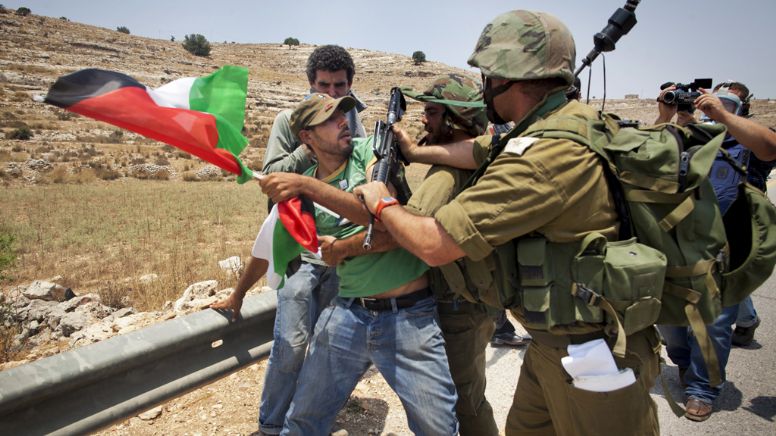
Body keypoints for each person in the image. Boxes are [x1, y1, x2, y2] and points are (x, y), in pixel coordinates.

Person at [355, 10, 661, 435]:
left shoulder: (545, 158)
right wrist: (417, 151)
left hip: (594, 356)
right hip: (555, 344)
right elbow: (480, 150)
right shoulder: (557, 125)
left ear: (505, 79)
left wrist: (382, 202)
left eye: (487, 73)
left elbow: (434, 242)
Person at [260, 93, 458, 435]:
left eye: (344, 114)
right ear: (306, 136)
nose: (343, 122)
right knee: (303, 420)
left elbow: (385, 223)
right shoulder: (302, 187)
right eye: (330, 118)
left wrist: (339, 239)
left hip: (408, 316)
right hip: (349, 312)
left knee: (438, 429)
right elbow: (270, 242)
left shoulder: (372, 153)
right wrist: (237, 295)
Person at [214, 45, 367, 436]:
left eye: (340, 86)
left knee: (326, 349)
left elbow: (359, 170)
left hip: (340, 255)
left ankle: (308, 420)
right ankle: (271, 425)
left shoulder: (351, 119)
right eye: (324, 86)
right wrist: (310, 142)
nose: (332, 94)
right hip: (297, 245)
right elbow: (271, 179)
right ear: (309, 84)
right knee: (290, 345)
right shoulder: (290, 120)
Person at [655, 80, 776, 421]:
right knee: (670, 321)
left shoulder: (746, 143)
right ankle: (683, 364)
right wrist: (668, 115)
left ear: (743, 109)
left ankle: (703, 387)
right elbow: (642, 155)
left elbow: (770, 147)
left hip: (726, 252)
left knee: (714, 325)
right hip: (675, 247)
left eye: (728, 102)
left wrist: (722, 115)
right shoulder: (686, 138)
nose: (714, 105)